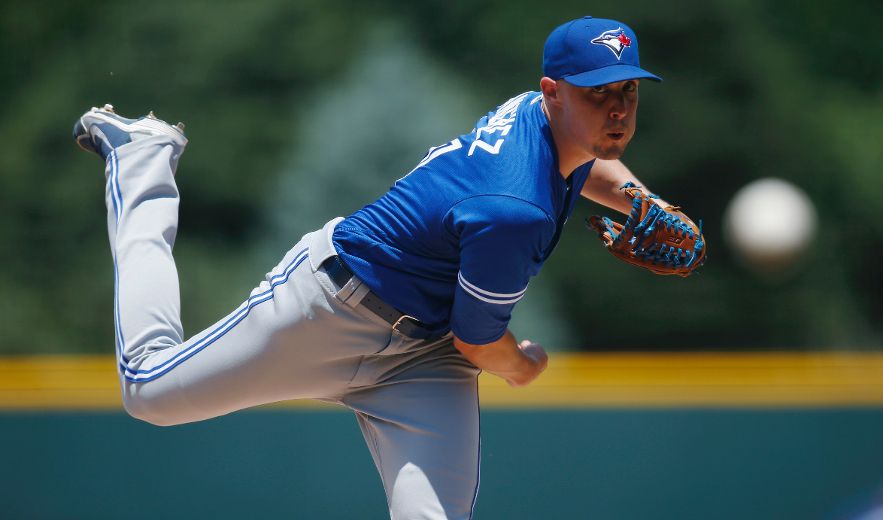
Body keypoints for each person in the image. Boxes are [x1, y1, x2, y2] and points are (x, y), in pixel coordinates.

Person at [74, 15, 671, 520]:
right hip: (330, 308)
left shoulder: (532, 115)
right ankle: (141, 159)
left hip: (424, 359)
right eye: (597, 93)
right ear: (553, 92)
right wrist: (524, 366)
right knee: (148, 391)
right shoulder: (513, 208)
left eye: (627, 92)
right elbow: (482, 344)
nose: (616, 109)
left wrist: (651, 206)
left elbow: (587, 160)